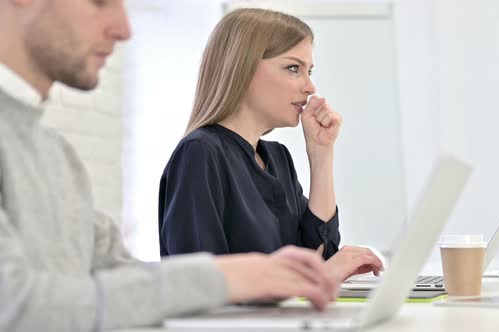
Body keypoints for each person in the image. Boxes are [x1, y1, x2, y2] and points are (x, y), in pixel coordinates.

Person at [0, 1, 339, 331]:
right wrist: (235, 277)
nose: (124, 29)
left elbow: (118, 273)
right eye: (98, 1)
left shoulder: (56, 155)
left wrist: (262, 276)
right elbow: (14, 305)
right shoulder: (201, 151)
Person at [159, 8, 383, 283]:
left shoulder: (278, 158)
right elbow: (201, 285)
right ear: (243, 67)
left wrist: (321, 154)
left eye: (309, 71)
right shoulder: (200, 153)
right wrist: (321, 274)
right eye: (293, 68)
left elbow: (320, 259)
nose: (310, 86)